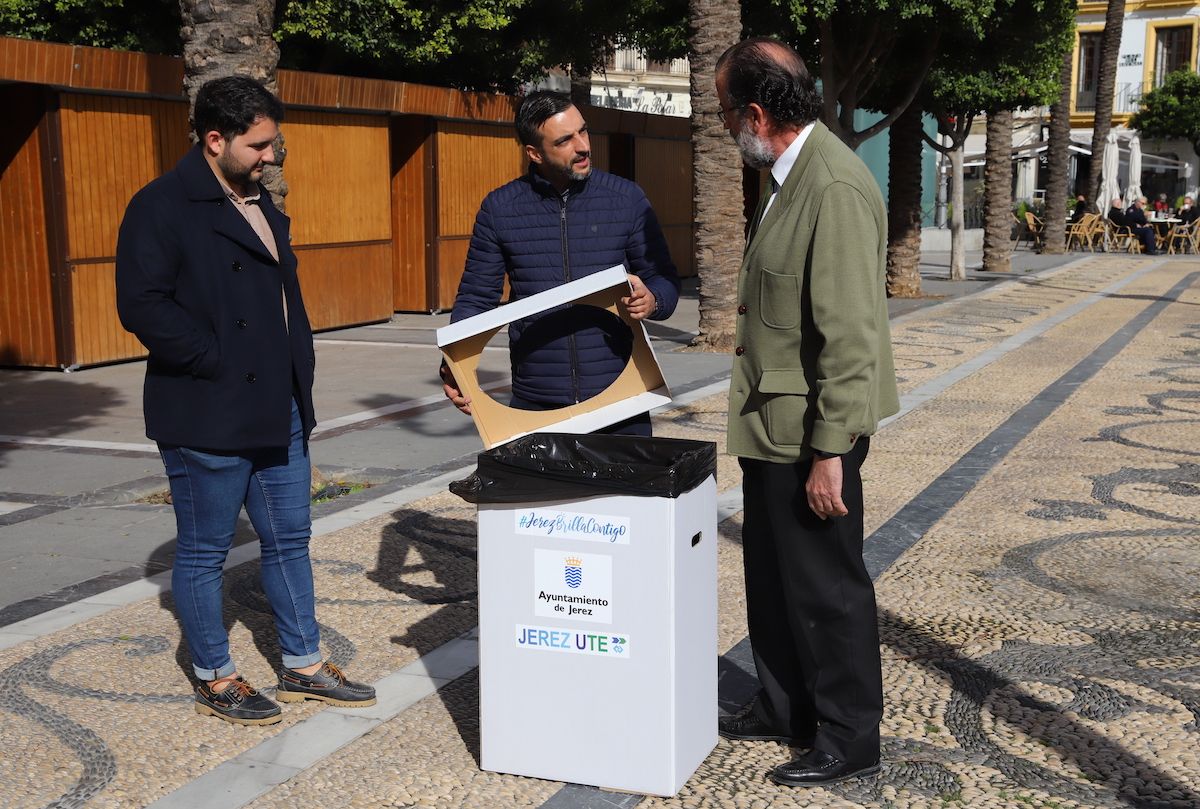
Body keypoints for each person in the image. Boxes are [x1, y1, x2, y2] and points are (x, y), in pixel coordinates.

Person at [116, 76, 375, 726]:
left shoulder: (262, 203)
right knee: (205, 549)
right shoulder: (163, 205)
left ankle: (303, 663)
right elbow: (141, 304)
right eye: (259, 145)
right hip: (206, 409)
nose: (270, 156)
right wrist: (216, 363)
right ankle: (214, 674)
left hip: (278, 407)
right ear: (215, 138)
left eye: (273, 143)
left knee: (290, 537)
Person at [713, 38, 899, 788]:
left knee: (827, 587)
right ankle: (787, 705)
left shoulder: (834, 187)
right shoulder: (787, 179)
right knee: (773, 577)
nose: (726, 126)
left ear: (758, 111)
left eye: (727, 112)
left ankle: (850, 733)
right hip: (772, 422)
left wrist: (831, 451)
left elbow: (851, 333)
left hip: (812, 432)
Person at [440, 90, 680, 436]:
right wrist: (453, 363)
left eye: (583, 131)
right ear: (534, 153)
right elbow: (477, 297)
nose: (583, 146)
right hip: (536, 405)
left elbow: (663, 279)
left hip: (623, 399)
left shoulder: (626, 199)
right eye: (565, 140)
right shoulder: (500, 208)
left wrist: (653, 299)